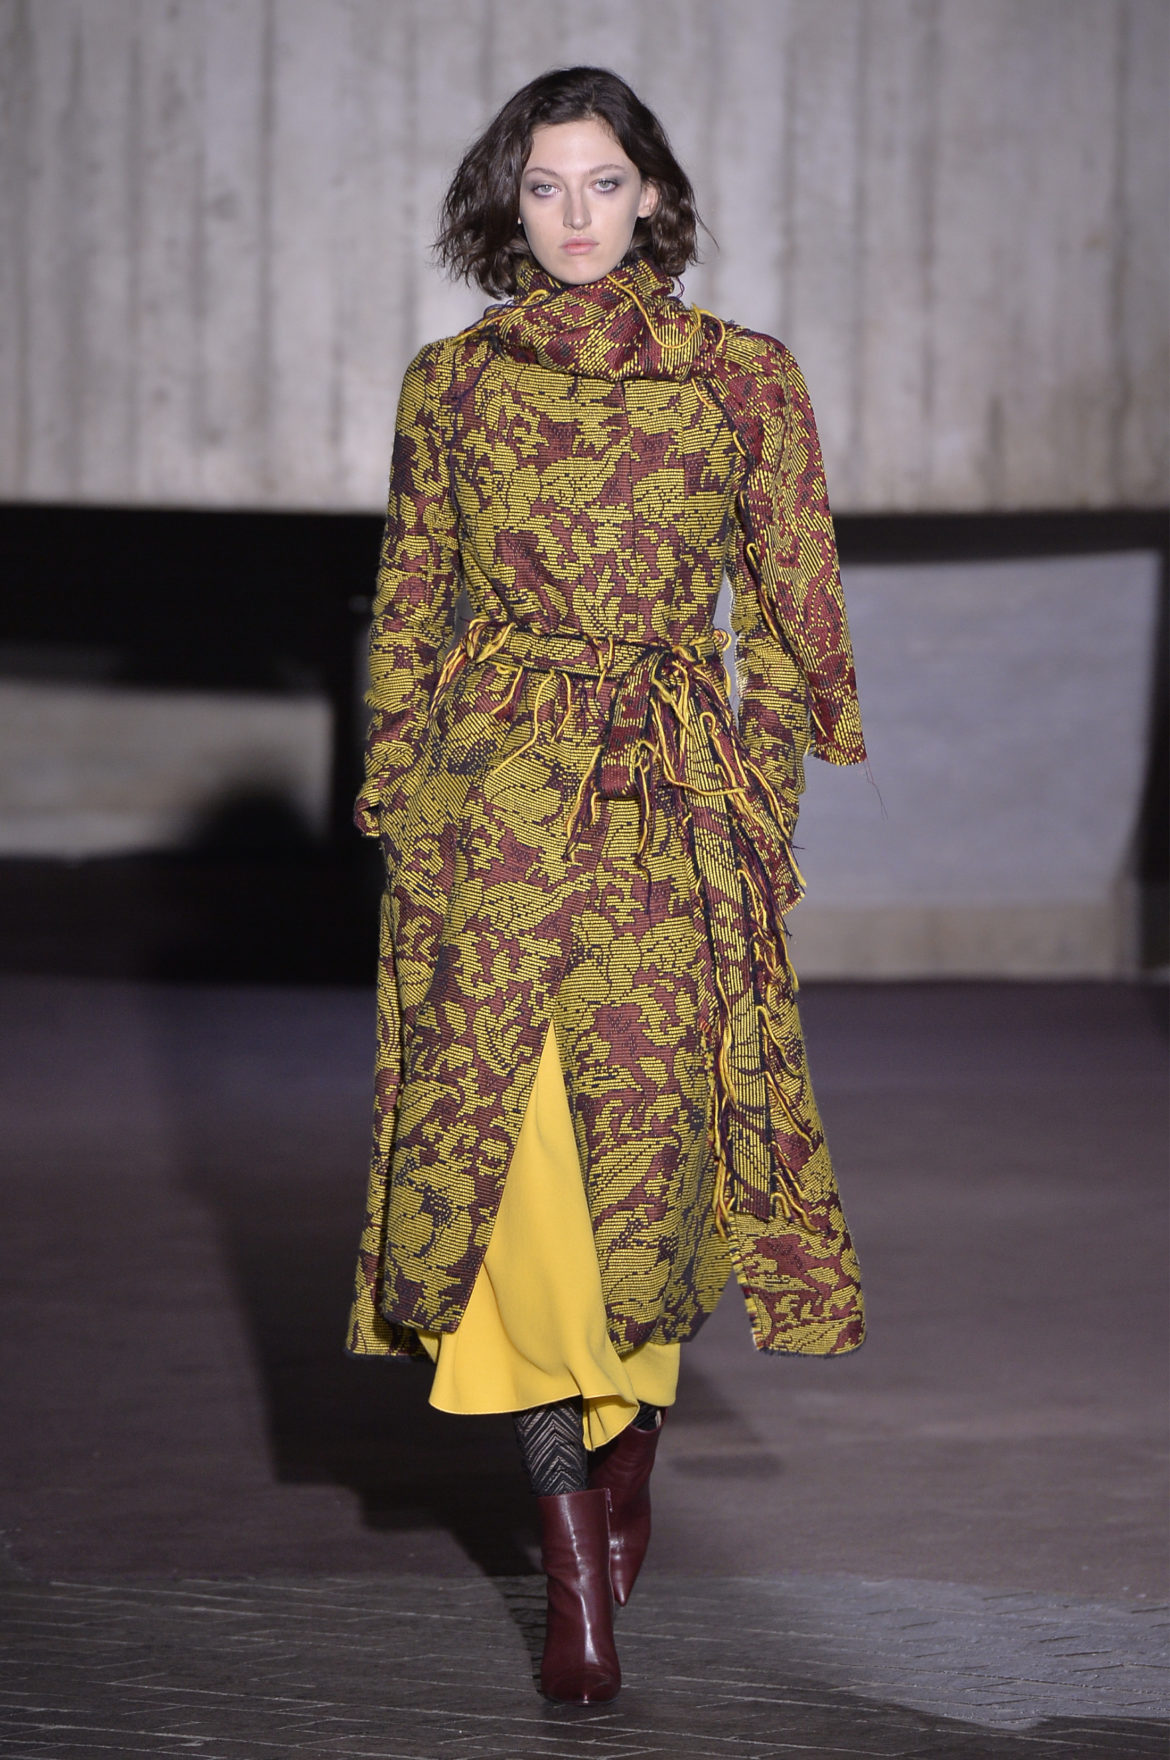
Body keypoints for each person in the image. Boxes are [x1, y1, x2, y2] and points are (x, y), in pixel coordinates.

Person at [347, 65, 866, 1705]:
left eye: (603, 182)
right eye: (544, 186)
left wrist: (758, 800)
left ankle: (624, 1440)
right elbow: (411, 595)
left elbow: (786, 612)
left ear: (652, 194)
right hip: (490, 810)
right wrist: (399, 795)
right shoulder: (453, 383)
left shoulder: (741, 380)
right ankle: (572, 1571)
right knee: (507, 1178)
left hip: (663, 802)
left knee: (649, 1159)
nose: (574, 216)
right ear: (506, 202)